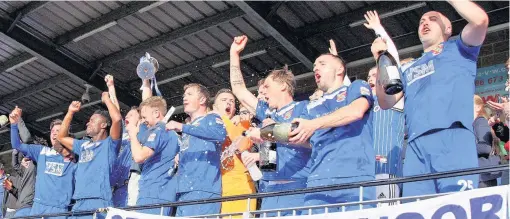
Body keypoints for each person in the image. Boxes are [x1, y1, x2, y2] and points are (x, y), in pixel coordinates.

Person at [371, 0, 489, 196]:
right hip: (416, 147)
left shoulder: (459, 48)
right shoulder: (408, 68)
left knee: (456, 207)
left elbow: (480, 21)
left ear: (448, 28)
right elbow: (386, 101)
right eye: (421, 21)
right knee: (415, 211)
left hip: (452, 137)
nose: (424, 23)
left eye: (433, 19)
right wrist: (381, 60)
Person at [230, 35, 311, 216]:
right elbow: (239, 90)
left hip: (297, 189)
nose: (263, 91)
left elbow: (307, 140)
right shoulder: (266, 113)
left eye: (267, 86)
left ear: (283, 85)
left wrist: (268, 133)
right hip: (270, 192)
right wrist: (234, 54)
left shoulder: (303, 108)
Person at [288, 50, 375, 213]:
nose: (315, 69)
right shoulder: (310, 107)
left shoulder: (356, 87)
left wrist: (314, 124)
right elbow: (302, 137)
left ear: (340, 70)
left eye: (322, 64)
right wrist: (269, 133)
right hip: (317, 183)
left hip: (355, 178)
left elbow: (356, 111)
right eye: (314, 66)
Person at [57, 92, 122, 219]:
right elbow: (61, 136)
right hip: (79, 203)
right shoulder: (82, 145)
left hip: (99, 202)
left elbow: (117, 119)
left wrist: (107, 100)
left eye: (92, 121)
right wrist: (70, 112)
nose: (87, 123)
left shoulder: (110, 144)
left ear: (103, 125)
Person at [363, 11, 406, 202]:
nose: (372, 78)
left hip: (387, 169)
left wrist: (379, 30)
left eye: (376, 74)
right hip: (366, 169)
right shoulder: (367, 103)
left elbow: (392, 60)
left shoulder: (395, 95)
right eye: (369, 77)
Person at [166, 83, 226, 216]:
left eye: (189, 94)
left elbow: (220, 135)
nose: (184, 98)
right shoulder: (189, 128)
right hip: (183, 191)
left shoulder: (211, 118)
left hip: (203, 190)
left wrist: (183, 127)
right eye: (184, 95)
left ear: (202, 100)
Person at [9, 106, 77, 218]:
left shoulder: (74, 156)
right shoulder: (41, 151)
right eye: (53, 131)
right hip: (38, 207)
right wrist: (14, 125)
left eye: (59, 131)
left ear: (66, 135)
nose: (54, 133)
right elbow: (17, 145)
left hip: (60, 209)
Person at [126, 96, 179, 215]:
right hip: (159, 193)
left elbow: (139, 157)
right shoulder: (172, 134)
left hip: (154, 194)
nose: (143, 121)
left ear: (156, 113)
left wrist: (133, 135)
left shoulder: (160, 131)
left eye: (144, 117)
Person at [213, 89, 257, 217]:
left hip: (240, 188)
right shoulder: (209, 126)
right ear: (214, 107)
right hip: (217, 190)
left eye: (231, 101)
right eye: (224, 100)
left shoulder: (242, 124)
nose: (228, 103)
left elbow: (242, 144)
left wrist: (223, 119)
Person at [473, 95, 501, 187]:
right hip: (484, 175)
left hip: (484, 176)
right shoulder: (478, 122)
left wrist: (466, 148)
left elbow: (485, 147)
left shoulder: (480, 121)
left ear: (478, 107)